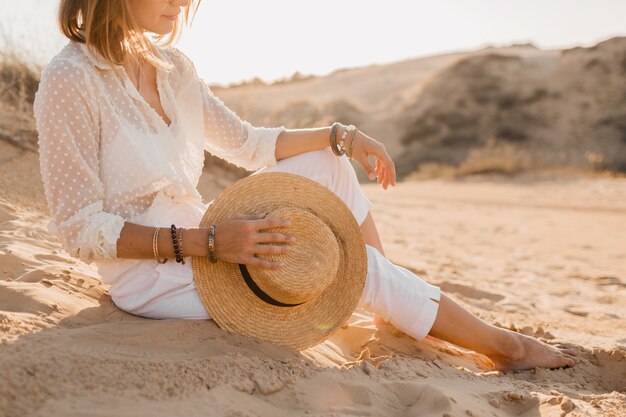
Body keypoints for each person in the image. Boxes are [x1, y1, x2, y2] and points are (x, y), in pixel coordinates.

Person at [33, 0, 576, 371]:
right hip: (151, 270)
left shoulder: (174, 67)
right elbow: (80, 228)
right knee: (327, 260)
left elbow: (247, 143)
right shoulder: (70, 80)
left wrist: (342, 135)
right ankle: (506, 348)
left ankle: (385, 295)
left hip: (209, 229)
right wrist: (208, 243)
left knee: (330, 167)